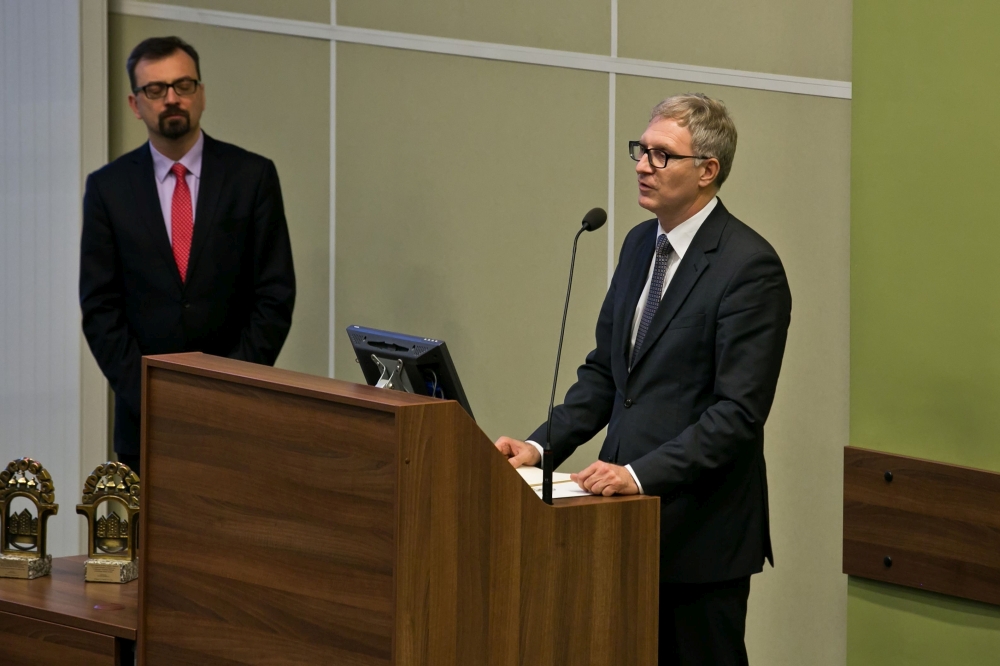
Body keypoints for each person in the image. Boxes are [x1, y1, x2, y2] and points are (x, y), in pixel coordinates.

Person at [495, 93, 791, 665]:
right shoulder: (638, 245)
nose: (642, 165)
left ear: (707, 170)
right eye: (642, 149)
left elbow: (737, 414)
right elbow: (606, 375)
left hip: (698, 536)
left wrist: (637, 474)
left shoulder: (748, 267)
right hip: (618, 528)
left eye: (662, 155)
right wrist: (539, 448)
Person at [80, 36, 296, 472]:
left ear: (201, 94)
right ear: (135, 104)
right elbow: (100, 307)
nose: (172, 98)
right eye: (155, 89)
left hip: (236, 414)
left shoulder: (252, 176)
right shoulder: (108, 188)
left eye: (183, 85)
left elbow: (274, 296)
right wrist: (149, 395)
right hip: (144, 421)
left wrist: (226, 390)